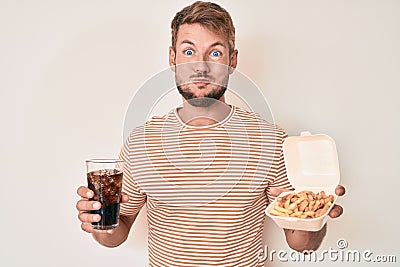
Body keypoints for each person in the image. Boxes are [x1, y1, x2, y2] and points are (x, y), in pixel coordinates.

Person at [76, 1, 345, 266]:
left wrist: (316, 216)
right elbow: (117, 232)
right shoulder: (141, 142)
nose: (201, 66)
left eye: (215, 53)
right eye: (189, 51)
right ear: (172, 58)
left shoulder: (271, 140)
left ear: (232, 60)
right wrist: (101, 224)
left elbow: (301, 243)